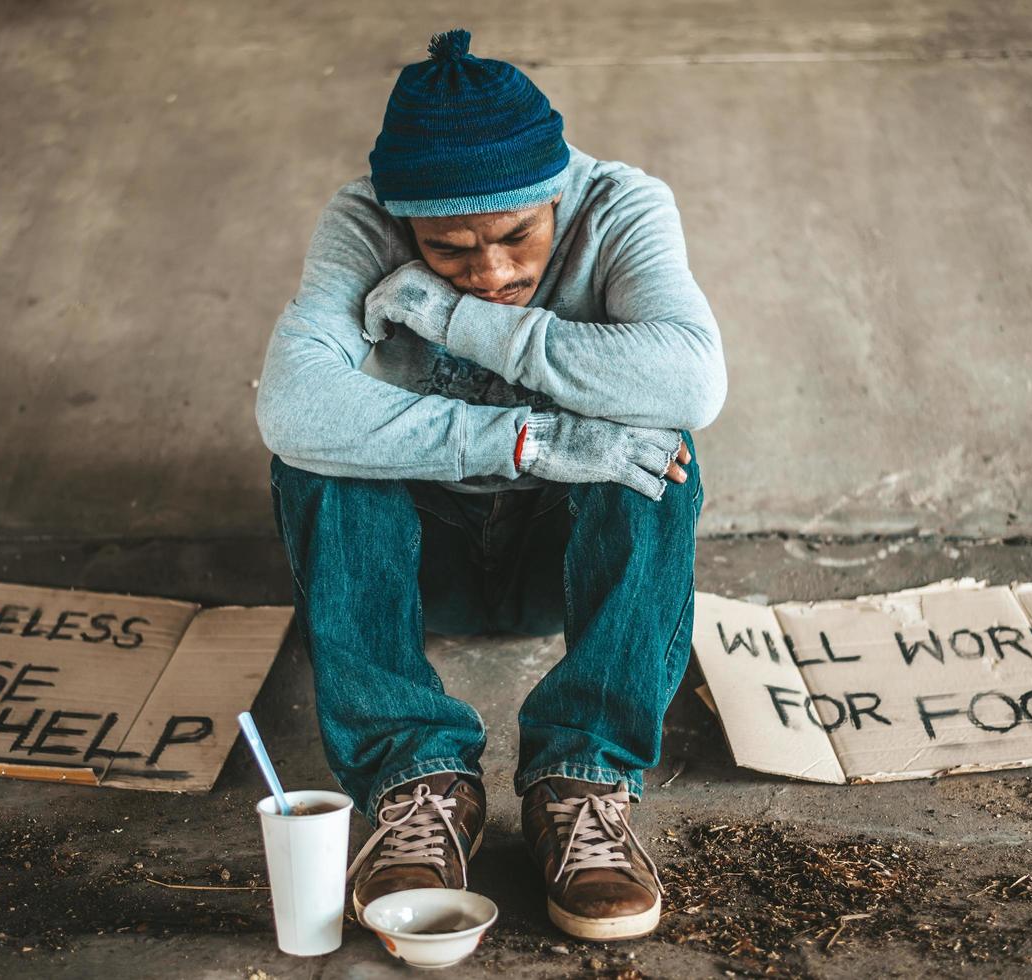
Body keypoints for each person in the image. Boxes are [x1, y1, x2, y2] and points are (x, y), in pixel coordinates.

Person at [255, 28, 726, 942]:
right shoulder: (363, 218)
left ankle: (581, 780)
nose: (495, 271)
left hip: (561, 560)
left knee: (654, 450)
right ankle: (416, 780)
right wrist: (534, 440)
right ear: (404, 220)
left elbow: (692, 384)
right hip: (425, 561)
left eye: (516, 237)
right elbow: (293, 409)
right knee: (320, 462)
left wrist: (453, 316)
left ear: (555, 187)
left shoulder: (621, 204)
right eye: (448, 251)